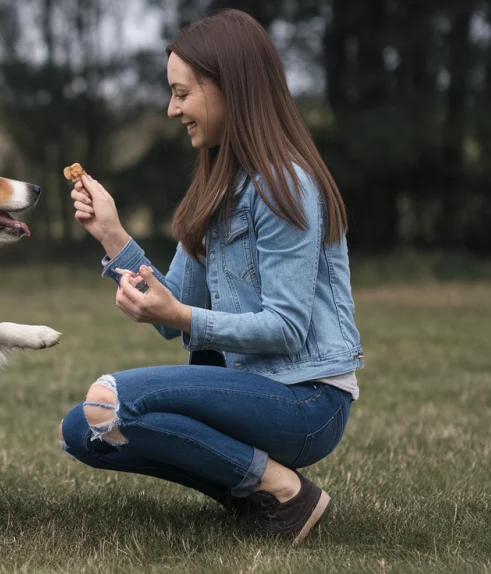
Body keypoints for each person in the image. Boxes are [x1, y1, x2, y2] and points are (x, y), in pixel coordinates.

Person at [58, 9, 363, 543]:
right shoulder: (218, 189)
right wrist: (111, 235)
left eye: (181, 93)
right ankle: (258, 491)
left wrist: (179, 315)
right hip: (251, 387)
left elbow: (287, 328)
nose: (172, 108)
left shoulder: (285, 183)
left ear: (228, 87)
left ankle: (287, 493)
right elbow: (173, 312)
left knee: (111, 399)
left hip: (306, 398)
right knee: (85, 429)